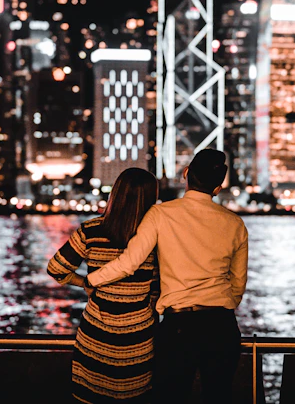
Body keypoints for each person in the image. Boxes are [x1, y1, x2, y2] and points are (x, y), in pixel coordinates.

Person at [86, 149, 248, 403]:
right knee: (218, 396)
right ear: (218, 188)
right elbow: (238, 283)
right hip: (222, 325)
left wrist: (91, 280)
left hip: (179, 326)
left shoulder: (161, 214)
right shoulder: (235, 223)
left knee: (171, 397)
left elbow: (129, 263)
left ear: (186, 173)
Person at [47, 167, 160, 403]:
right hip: (138, 338)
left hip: (95, 335)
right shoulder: (156, 240)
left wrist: (85, 284)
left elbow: (56, 269)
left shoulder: (91, 231)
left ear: (115, 194)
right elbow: (157, 289)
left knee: (90, 396)